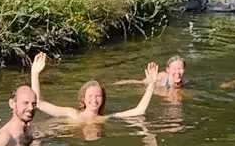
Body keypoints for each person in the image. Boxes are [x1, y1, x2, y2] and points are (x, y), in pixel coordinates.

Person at [30, 52, 159, 122]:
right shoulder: (72, 114)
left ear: (103, 99)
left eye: (98, 96)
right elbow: (39, 103)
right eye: (90, 96)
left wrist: (151, 85)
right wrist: (34, 73)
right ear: (83, 99)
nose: (94, 100)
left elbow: (139, 111)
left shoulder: (105, 118)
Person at [115, 54, 185, 92]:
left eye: (180, 69)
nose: (177, 72)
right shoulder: (162, 77)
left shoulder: (182, 82)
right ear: (168, 70)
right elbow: (138, 82)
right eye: (174, 69)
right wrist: (117, 84)